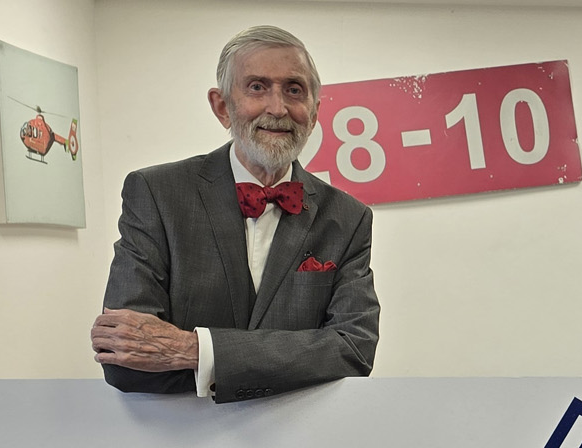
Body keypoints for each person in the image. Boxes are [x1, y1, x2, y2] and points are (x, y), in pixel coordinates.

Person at [92, 26, 379, 403]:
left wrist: (195, 351)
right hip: (174, 445)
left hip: (304, 445)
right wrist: (302, 357)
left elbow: (354, 350)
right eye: (257, 87)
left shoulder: (348, 217)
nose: (277, 108)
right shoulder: (156, 193)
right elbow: (124, 358)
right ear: (222, 106)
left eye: (294, 90)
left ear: (314, 112)